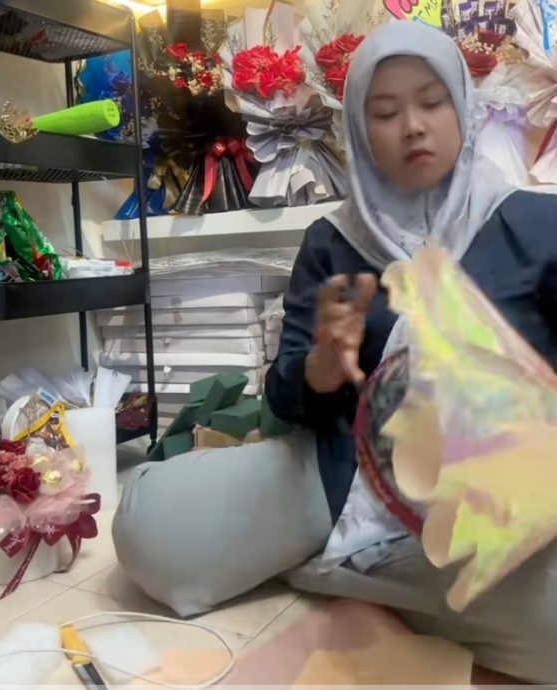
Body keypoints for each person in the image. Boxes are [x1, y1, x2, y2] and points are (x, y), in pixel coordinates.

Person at [113, 21, 557, 683]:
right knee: (152, 531)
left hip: (488, 493)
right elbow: (284, 397)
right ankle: (391, 579)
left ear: (463, 107)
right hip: (342, 472)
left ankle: (346, 578)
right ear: (357, 129)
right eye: (386, 111)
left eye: (431, 102)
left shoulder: (536, 225)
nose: (413, 126)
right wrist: (320, 368)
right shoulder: (332, 242)